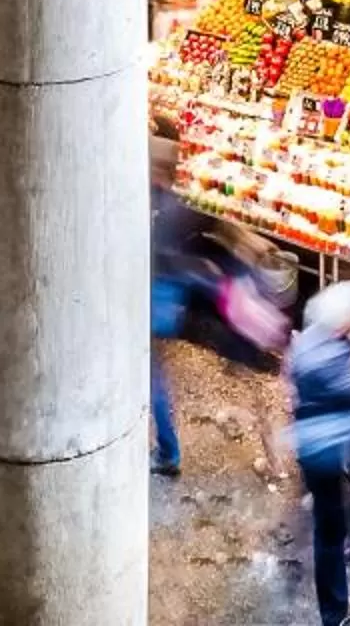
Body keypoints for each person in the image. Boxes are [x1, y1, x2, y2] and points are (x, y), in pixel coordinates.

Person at [287, 279, 350, 625]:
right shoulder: (336, 357)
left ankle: (336, 603)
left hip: (309, 447)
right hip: (328, 456)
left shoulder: (309, 340)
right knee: (329, 532)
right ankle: (335, 611)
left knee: (328, 529)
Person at [149, 133, 205, 477]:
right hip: (166, 303)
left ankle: (169, 452)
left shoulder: (163, 211)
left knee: (153, 378)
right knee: (152, 375)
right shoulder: (176, 206)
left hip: (153, 305)